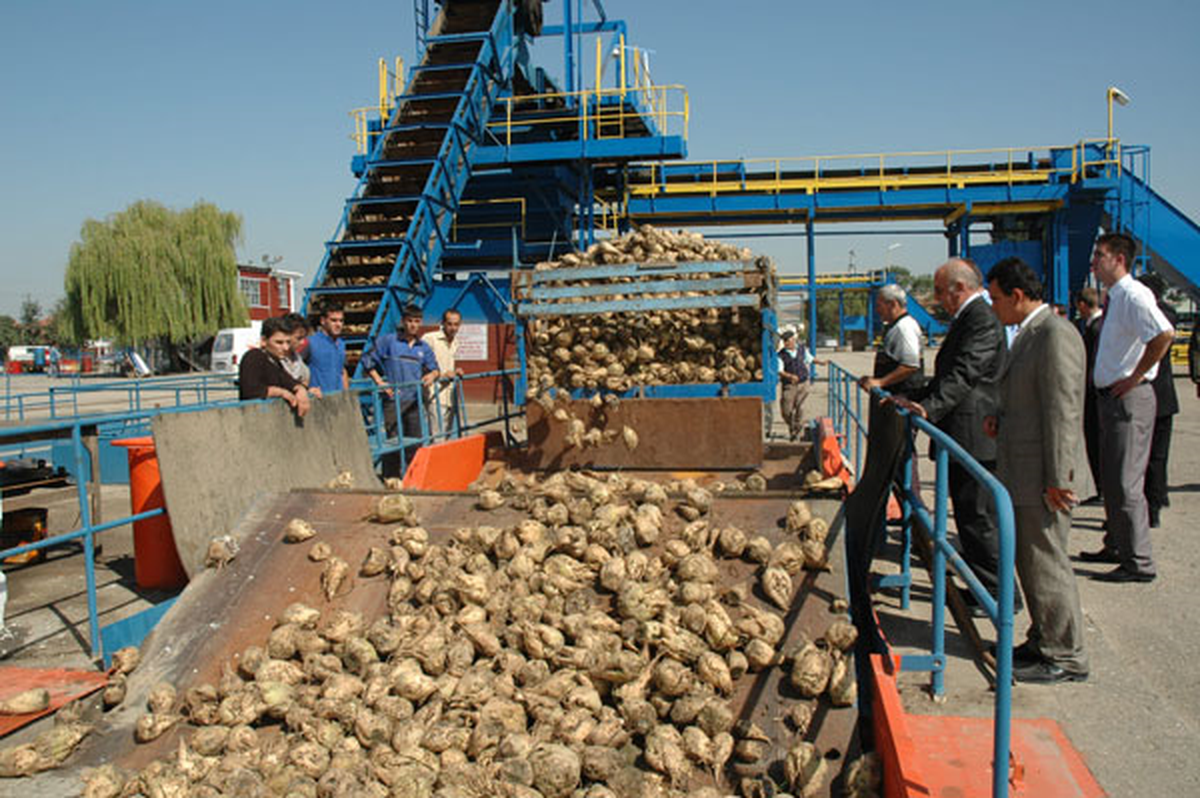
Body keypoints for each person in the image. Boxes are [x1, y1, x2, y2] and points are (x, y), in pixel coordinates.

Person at [984, 257, 1088, 683]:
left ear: (1017, 296)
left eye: (996, 300)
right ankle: (1043, 637)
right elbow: (1030, 397)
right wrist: (1002, 418)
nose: (993, 308)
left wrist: (1060, 479)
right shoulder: (1030, 334)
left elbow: (1063, 410)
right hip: (1026, 469)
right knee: (1030, 561)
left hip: (1044, 476)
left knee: (1046, 563)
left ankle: (1065, 655)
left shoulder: (1054, 335)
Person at [895, 258, 1011, 614]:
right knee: (968, 513)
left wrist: (929, 408)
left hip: (974, 433)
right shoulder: (968, 318)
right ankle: (984, 586)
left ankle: (997, 593)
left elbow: (964, 373)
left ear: (960, 288)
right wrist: (916, 397)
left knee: (979, 516)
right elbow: (949, 375)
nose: (938, 299)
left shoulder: (981, 320)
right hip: (963, 431)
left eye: (940, 292)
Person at [1080, 233, 1173, 583]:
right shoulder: (1116, 297)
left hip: (1128, 399)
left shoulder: (1133, 295)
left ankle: (1139, 562)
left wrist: (1135, 376)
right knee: (1112, 479)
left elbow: (1163, 334)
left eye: (1099, 255)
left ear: (1119, 259)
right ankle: (1117, 544)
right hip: (1112, 399)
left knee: (1125, 481)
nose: (1094, 262)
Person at [361, 304, 440, 476]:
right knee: (393, 444)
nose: (413, 325)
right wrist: (380, 382)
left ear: (421, 323)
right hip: (393, 401)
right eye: (410, 321)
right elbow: (367, 360)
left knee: (415, 442)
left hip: (414, 402)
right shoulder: (389, 342)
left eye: (416, 321)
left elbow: (435, 368)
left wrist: (432, 375)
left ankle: (413, 478)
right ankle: (391, 480)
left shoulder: (423, 347)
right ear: (403, 321)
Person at [1137, 274, 1178, 529]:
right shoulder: (1169, 314)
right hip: (1165, 396)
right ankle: (1158, 497)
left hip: (1148, 392)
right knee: (1158, 455)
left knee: (1146, 456)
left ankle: (1151, 505)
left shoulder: (1154, 315)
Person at [238, 316, 311, 418]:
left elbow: (288, 381)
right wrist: (281, 392)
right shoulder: (253, 357)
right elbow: (251, 391)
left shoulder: (274, 361)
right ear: (264, 340)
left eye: (288, 342)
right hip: (254, 417)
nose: (285, 348)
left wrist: (302, 390)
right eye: (279, 342)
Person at [859, 283, 924, 397]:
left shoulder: (904, 327)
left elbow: (910, 365)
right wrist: (874, 379)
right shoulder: (894, 326)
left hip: (904, 397)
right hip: (892, 396)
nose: (877, 310)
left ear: (893, 304)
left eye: (879, 305)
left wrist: (881, 382)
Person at [1075, 287, 1104, 504]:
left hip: (1094, 391)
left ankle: (1098, 486)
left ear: (1083, 305)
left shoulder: (1095, 328)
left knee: (1095, 440)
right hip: (1096, 389)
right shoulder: (1099, 325)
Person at [422, 309, 465, 436]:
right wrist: (442, 375)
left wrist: (456, 372)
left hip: (450, 395)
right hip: (435, 394)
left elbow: (448, 365)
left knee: (448, 434)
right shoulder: (430, 339)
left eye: (456, 324)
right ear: (443, 323)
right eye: (450, 324)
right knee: (437, 435)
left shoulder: (455, 342)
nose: (453, 328)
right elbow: (421, 365)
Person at [778, 330, 816, 441]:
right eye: (785, 341)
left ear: (793, 340)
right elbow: (780, 371)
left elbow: (810, 359)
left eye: (788, 340)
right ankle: (792, 426)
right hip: (789, 386)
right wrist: (790, 376)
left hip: (803, 383)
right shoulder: (780, 355)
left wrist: (822, 362)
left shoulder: (802, 350)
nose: (786, 343)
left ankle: (797, 431)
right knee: (786, 410)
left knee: (800, 407)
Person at [305, 306, 350, 395]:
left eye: (341, 321)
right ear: (323, 321)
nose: (338, 324)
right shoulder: (310, 342)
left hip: (338, 398)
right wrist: (306, 390)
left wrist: (347, 395)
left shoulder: (341, 344)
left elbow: (342, 371)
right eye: (333, 320)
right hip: (318, 398)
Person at [280, 313, 313, 392]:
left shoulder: (298, 359)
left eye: (304, 338)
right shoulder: (273, 360)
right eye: (298, 338)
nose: (302, 342)